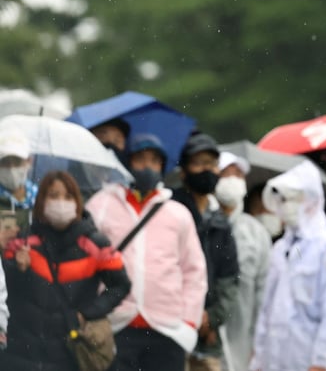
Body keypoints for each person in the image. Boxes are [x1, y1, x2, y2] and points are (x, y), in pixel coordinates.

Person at [85, 133, 208, 371]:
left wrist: (188, 324)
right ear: (128, 163)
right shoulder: (102, 205)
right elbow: (85, 262)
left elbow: (194, 271)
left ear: (162, 166)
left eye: (154, 161)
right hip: (116, 327)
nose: (147, 167)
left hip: (167, 330)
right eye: (140, 159)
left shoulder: (178, 213)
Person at [1, 170, 131, 370]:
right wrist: (18, 268)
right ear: (42, 200)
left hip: (69, 353)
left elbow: (121, 285)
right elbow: (6, 293)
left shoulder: (95, 245)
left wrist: (88, 313)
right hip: (20, 354)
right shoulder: (23, 242)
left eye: (68, 196)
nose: (60, 202)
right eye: (53, 195)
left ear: (77, 201)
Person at [250, 160, 326, 371]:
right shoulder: (280, 248)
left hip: (307, 360)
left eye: (294, 198)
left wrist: (323, 361)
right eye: (284, 199)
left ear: (312, 199)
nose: (287, 205)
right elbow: (267, 308)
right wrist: (258, 357)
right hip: (273, 360)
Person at [172, 132, 239, 371]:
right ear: (183, 171)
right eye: (198, 163)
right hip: (171, 327)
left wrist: (211, 317)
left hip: (208, 336)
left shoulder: (220, 221)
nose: (206, 170)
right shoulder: (169, 210)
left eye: (211, 164)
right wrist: (189, 312)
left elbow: (229, 279)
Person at [214, 151, 271, 371]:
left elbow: (263, 291)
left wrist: (260, 341)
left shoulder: (257, 233)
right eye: (226, 173)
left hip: (244, 342)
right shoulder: (198, 224)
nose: (232, 180)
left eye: (238, 175)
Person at [0, 127, 37, 229]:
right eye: (5, 162)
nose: (11, 168)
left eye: (17, 161)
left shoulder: (39, 198)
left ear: (29, 161)